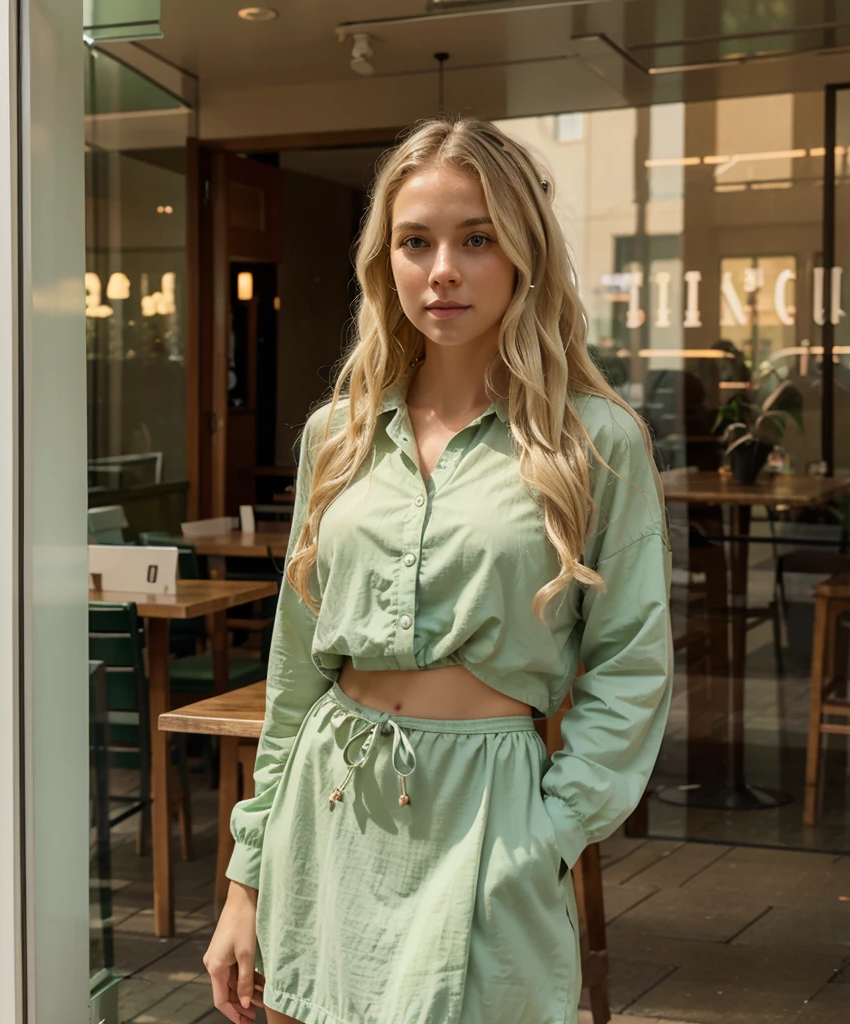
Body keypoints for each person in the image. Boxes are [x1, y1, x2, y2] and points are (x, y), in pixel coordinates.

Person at [203, 117, 673, 1024]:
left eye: (477, 238)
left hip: (491, 819)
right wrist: (246, 879)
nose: (442, 270)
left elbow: (631, 667)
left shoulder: (596, 442)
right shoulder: (334, 436)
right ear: (386, 261)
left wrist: (549, 833)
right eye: (415, 242)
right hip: (329, 811)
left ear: (523, 254)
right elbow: (298, 671)